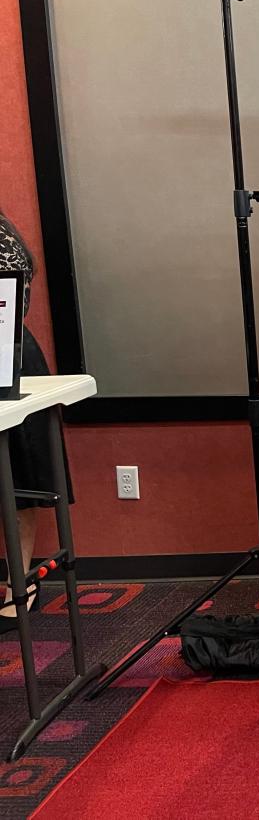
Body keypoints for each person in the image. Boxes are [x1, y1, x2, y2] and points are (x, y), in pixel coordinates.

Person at [0, 213, 71, 633]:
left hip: (9, 360)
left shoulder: (3, 236)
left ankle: (19, 585)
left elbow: (10, 302)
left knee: (16, 479)